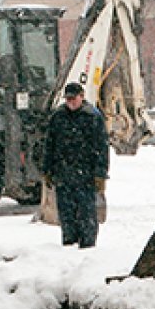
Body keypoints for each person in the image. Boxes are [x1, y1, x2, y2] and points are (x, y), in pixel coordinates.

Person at [43, 82, 109, 248]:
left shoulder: (92, 117)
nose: (70, 102)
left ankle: (87, 247)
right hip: (63, 174)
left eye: (73, 98)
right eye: (68, 99)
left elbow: (101, 147)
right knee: (67, 215)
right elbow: (49, 145)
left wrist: (100, 174)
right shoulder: (58, 117)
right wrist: (47, 170)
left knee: (86, 214)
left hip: (85, 176)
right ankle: (69, 244)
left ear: (82, 97)